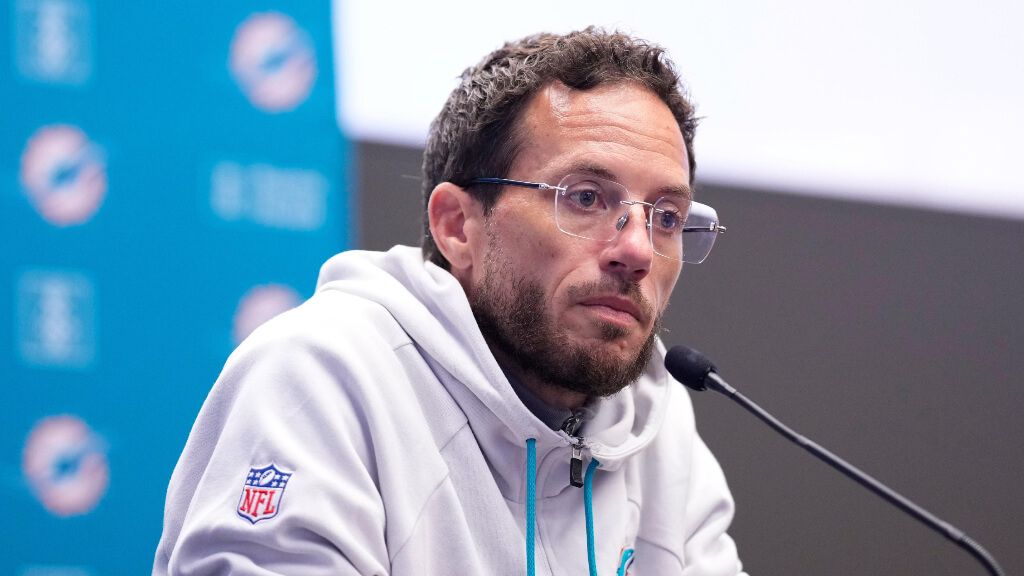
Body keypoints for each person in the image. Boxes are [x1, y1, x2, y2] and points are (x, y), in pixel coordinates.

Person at [154, 28, 744, 575]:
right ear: (458, 226)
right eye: (585, 197)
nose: (638, 250)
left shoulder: (657, 429)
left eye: (666, 217)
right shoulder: (323, 375)